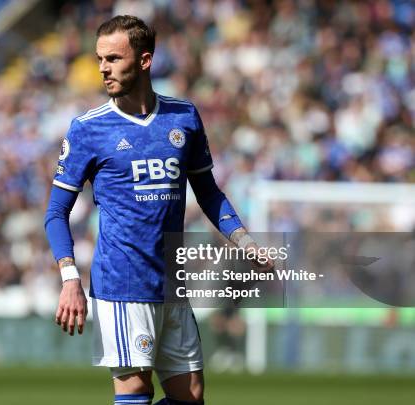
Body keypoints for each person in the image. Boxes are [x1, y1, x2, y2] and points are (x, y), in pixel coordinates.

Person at [45, 15, 273, 405]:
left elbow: (208, 192)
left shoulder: (183, 117)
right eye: (100, 59)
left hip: (171, 280)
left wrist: (244, 240)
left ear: (145, 60)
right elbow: (55, 212)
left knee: (192, 396)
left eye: (114, 58)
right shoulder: (88, 129)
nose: (103, 68)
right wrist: (69, 278)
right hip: (122, 282)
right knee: (135, 390)